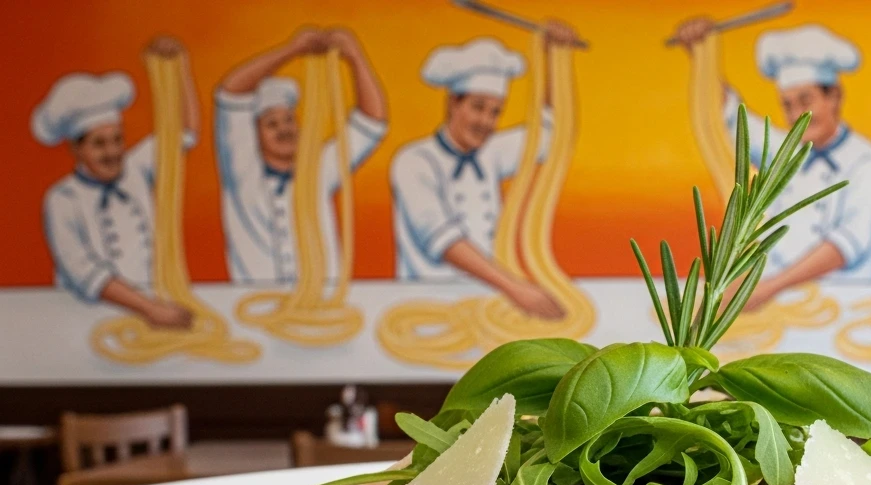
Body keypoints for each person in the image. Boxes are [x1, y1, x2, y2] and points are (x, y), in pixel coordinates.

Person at [673, 20, 871, 311]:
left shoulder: (868, 161)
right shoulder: (782, 150)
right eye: (787, 105)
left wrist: (765, 289)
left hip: (841, 306)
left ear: (834, 96)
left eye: (805, 100)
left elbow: (846, 244)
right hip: (773, 303)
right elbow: (729, 119)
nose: (797, 114)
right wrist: (699, 51)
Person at [391, 26, 580, 321]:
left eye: (495, 112)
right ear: (453, 103)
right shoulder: (413, 161)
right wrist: (516, 289)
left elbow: (547, 136)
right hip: (427, 303)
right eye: (478, 107)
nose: (486, 122)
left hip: (491, 302)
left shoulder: (492, 152)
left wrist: (550, 55)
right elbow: (443, 239)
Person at [33, 36, 198, 329]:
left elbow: (184, 132)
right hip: (84, 319)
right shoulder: (62, 199)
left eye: (117, 140)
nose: (112, 152)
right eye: (99, 144)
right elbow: (85, 272)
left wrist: (179, 66)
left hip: (158, 305)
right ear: (77, 150)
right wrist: (150, 310)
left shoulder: (136, 167)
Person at [215, 28, 388, 284]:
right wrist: (292, 50)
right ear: (254, 134)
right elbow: (231, 94)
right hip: (250, 306)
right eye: (272, 124)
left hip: (325, 303)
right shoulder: (241, 169)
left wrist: (355, 57)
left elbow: (372, 122)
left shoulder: (318, 168)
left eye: (289, 120)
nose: (284, 129)